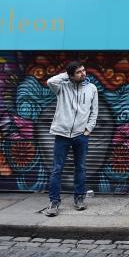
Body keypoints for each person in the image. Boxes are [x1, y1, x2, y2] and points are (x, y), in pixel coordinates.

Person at [44, 61, 99, 217]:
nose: (83, 73)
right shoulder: (61, 87)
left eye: (83, 70)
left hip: (81, 135)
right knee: (57, 169)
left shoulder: (92, 89)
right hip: (62, 134)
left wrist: (88, 129)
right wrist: (66, 75)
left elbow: (94, 111)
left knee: (80, 168)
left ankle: (79, 198)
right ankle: (54, 202)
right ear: (71, 75)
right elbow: (50, 81)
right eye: (79, 72)